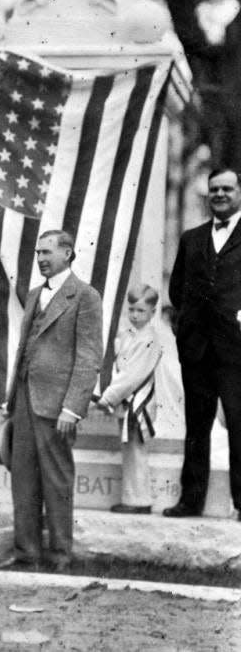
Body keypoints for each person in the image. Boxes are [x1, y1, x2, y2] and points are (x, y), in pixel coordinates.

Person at [2, 230, 103, 571]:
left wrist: (72, 408)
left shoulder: (85, 296)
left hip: (58, 405)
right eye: (37, 252)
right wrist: (12, 400)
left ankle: (60, 554)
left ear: (68, 253)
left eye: (47, 252)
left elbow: (89, 357)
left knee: (57, 480)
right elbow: (24, 349)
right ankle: (26, 552)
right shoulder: (33, 294)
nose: (41, 258)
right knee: (23, 477)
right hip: (25, 399)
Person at [164, 166, 241, 519]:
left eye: (227, 189)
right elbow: (177, 289)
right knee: (196, 426)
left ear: (238, 193)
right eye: (214, 189)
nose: (220, 195)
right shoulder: (191, 238)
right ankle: (190, 500)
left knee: (239, 422)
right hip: (197, 349)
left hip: (236, 349)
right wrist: (189, 327)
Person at [96, 284, 162, 514]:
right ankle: (133, 497)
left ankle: (139, 500)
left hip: (138, 403)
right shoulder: (126, 335)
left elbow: (133, 375)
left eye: (141, 311)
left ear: (153, 312)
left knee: (136, 451)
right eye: (131, 309)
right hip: (127, 401)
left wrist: (108, 397)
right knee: (129, 450)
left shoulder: (150, 339)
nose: (135, 315)